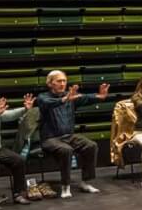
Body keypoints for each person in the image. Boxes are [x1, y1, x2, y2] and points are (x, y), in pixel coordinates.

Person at [33, 70, 108, 199]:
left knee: (91, 146)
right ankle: (65, 185)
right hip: (50, 139)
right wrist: (64, 99)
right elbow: (48, 104)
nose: (62, 84)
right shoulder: (43, 97)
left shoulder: (70, 96)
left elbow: (85, 97)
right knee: (66, 150)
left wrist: (99, 96)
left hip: (68, 136)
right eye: (59, 81)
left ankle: (86, 182)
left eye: (64, 81)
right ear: (50, 84)